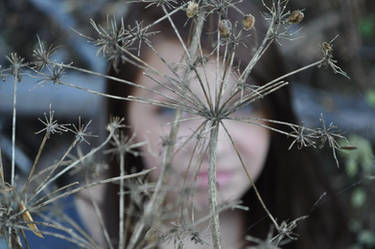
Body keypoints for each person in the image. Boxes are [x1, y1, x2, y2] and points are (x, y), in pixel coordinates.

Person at [103, 1, 352, 248]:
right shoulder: (70, 231)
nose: (213, 149)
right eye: (171, 110)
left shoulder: (321, 226)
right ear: (123, 119)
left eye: (244, 105)